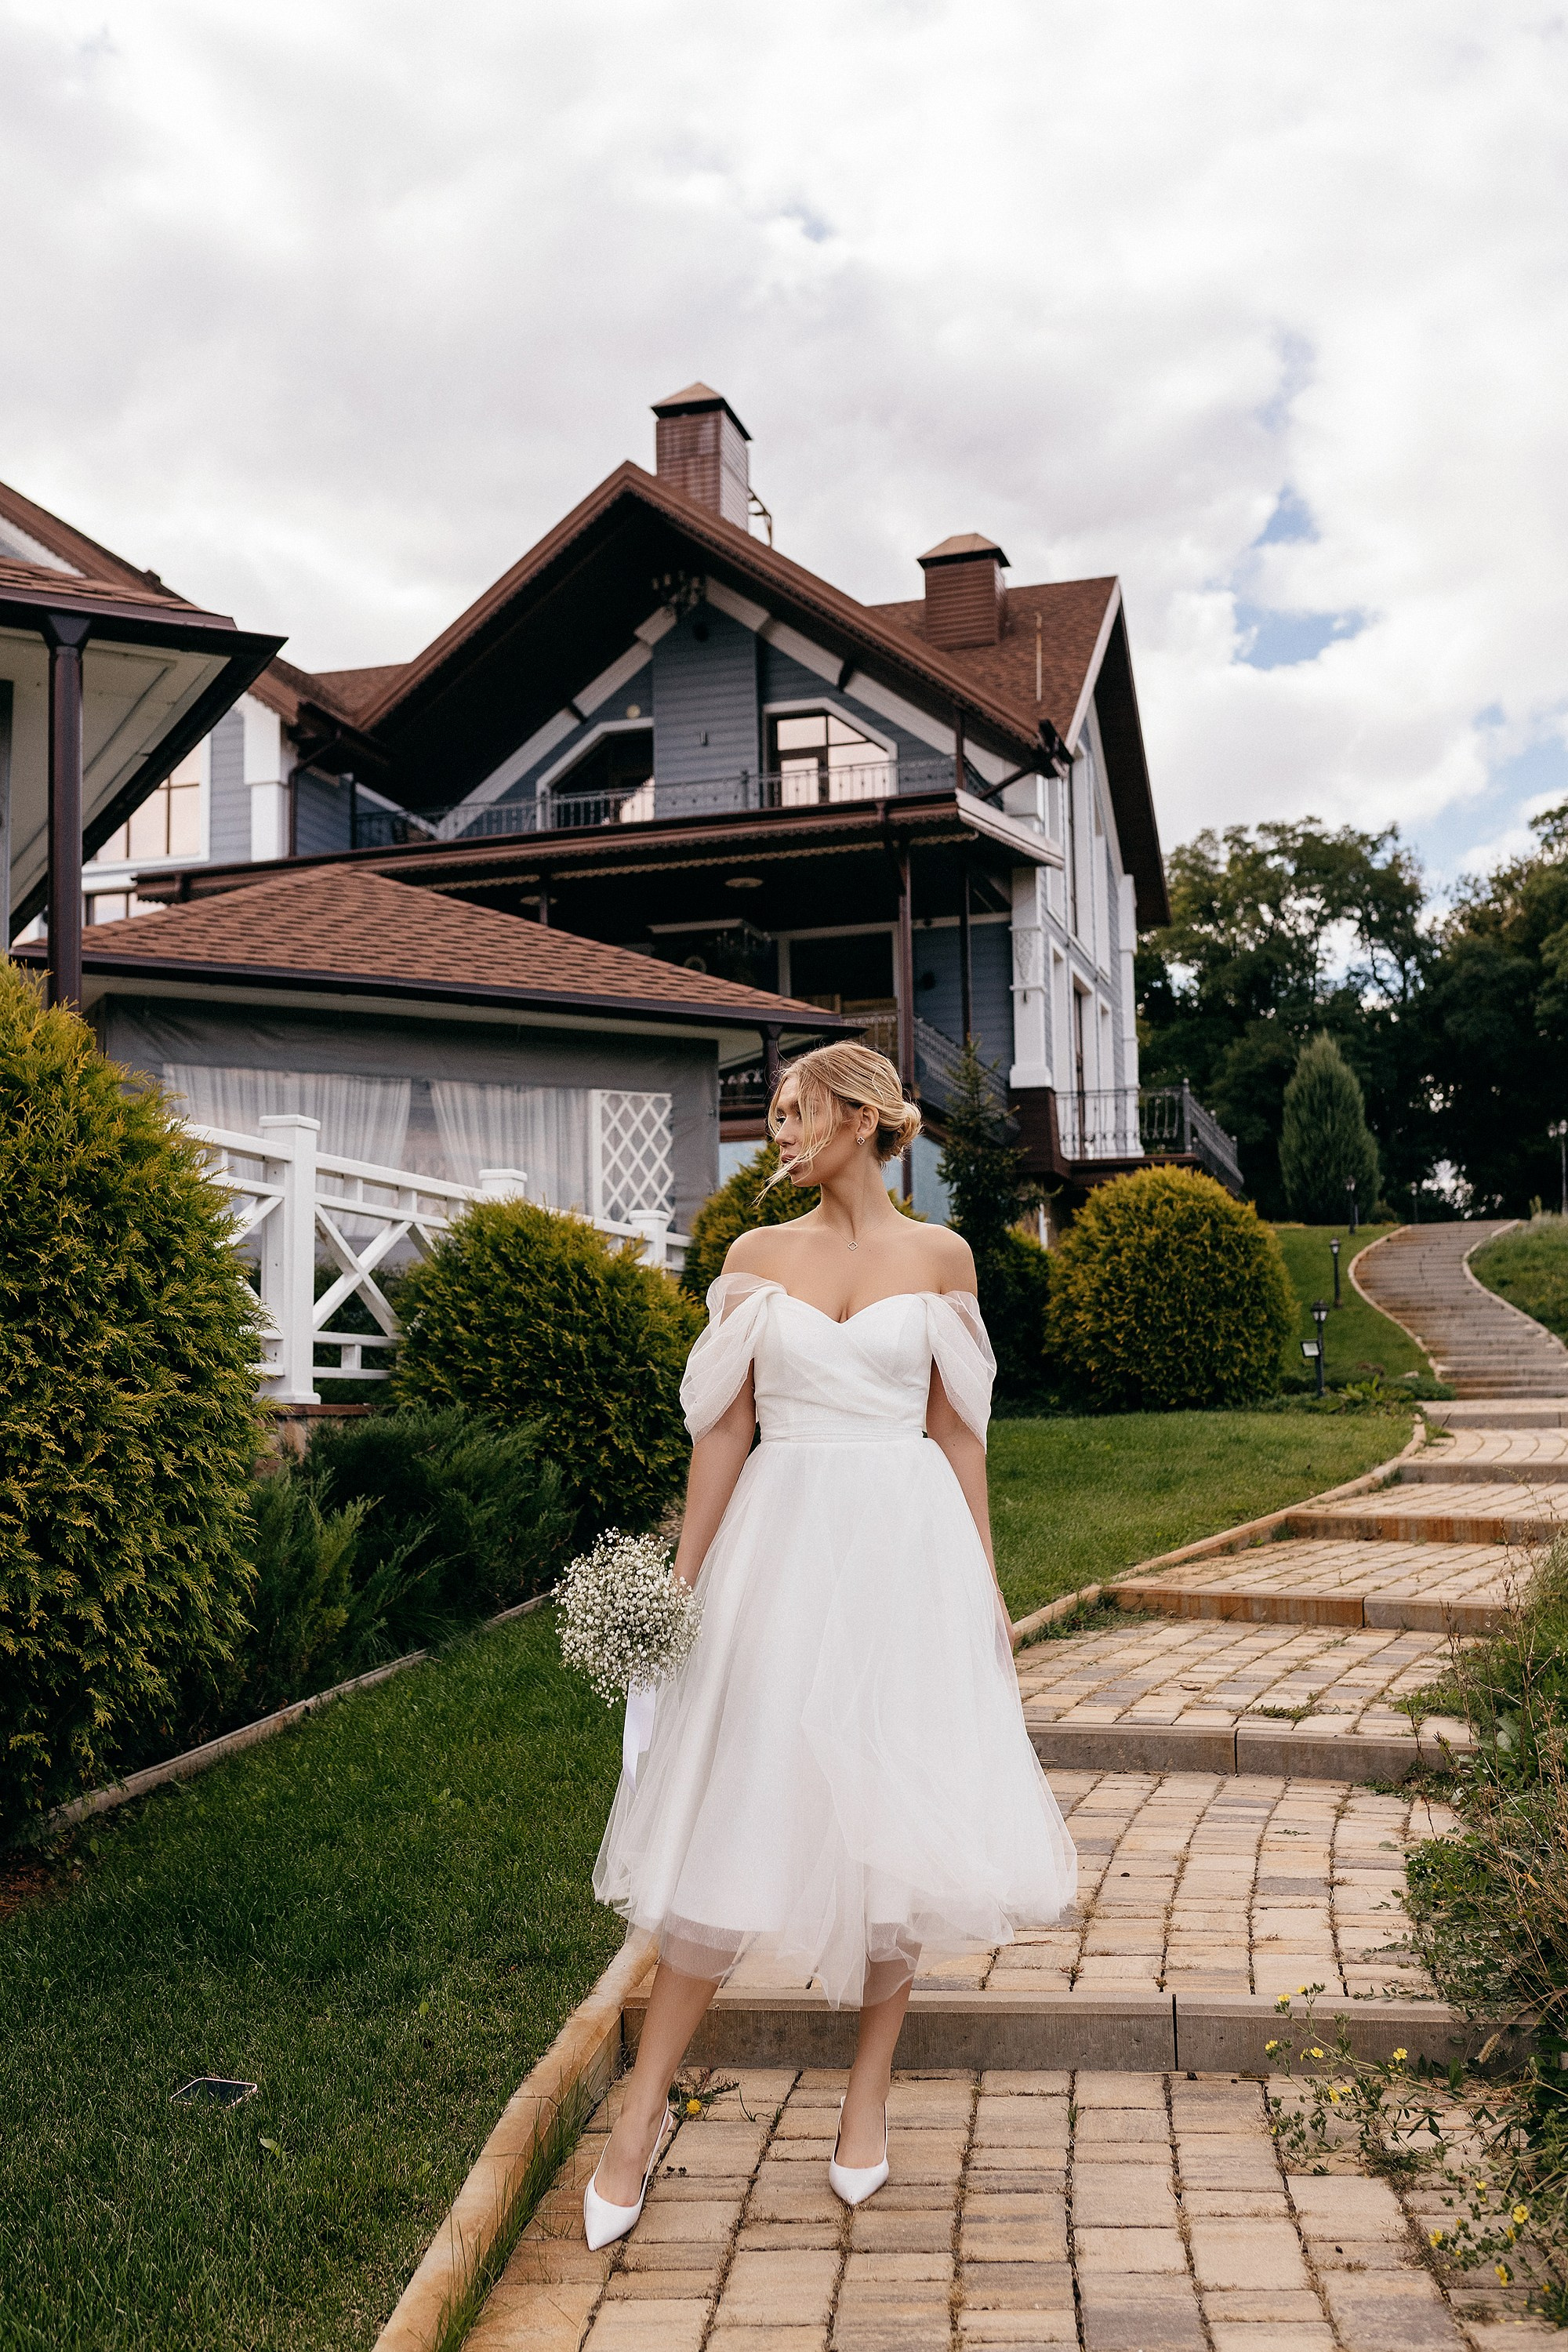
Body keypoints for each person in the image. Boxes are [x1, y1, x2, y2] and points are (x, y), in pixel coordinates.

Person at [583, 1041, 1076, 2249]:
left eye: (794, 1112)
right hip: (781, 1552)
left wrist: (989, 1589)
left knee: (893, 1815)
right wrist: (679, 1592)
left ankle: (866, 2100)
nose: (777, 1134)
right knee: (733, 1809)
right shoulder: (755, 1260)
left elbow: (962, 1438)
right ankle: (639, 2116)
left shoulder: (942, 1258)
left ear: (859, 1117)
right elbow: (722, 1435)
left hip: (910, 1560)